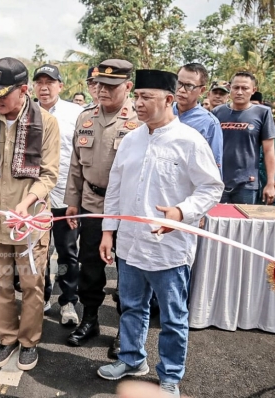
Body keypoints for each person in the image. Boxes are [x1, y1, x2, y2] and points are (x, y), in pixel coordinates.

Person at [97, 69, 223, 398]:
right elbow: (115, 187)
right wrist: (109, 230)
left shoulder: (189, 140)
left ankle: (169, 376)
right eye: (136, 96)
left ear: (169, 100)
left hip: (169, 247)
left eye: (145, 98)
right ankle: (131, 360)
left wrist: (182, 212)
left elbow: (212, 187)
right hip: (130, 245)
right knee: (131, 308)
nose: (137, 103)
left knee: (173, 317)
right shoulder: (131, 139)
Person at [0, 57, 60, 371]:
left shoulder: (46, 123)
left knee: (32, 284)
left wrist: (28, 201)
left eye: (4, 94)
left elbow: (48, 174)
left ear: (23, 90)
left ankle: (28, 342)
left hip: (29, 222)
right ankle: (6, 338)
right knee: (0, 284)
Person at [63, 59, 141, 357]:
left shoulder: (139, 119)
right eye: (99, 85)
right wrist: (72, 202)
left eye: (111, 86)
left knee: (129, 270)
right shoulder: (86, 117)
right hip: (93, 203)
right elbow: (74, 166)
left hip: (127, 208)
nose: (103, 91)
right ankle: (90, 319)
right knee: (91, 265)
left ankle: (126, 330)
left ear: (128, 87)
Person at [32, 64, 83, 326]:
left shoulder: (76, 114)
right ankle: (42, 297)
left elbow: (81, 156)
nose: (44, 87)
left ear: (60, 86)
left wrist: (77, 197)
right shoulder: (26, 112)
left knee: (67, 251)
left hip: (65, 196)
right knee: (38, 251)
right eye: (39, 81)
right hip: (34, 198)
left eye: (50, 82)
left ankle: (68, 302)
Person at [213, 72, 275, 204]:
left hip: (247, 184)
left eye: (245, 88)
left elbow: (269, 150)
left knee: (243, 223)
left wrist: (270, 183)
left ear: (253, 90)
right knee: (215, 222)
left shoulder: (263, 113)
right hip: (217, 181)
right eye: (236, 88)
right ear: (230, 88)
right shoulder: (217, 112)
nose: (239, 92)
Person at [173, 63, 223, 175]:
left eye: (189, 86)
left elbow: (214, 166)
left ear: (202, 90)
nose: (181, 90)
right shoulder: (164, 112)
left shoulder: (210, 123)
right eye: (179, 83)